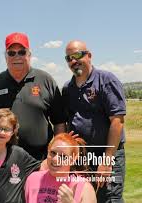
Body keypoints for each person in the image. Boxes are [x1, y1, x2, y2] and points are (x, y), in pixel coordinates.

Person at [0, 32, 66, 160]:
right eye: (11, 53)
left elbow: (59, 122)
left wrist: (58, 155)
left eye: (22, 52)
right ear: (5, 56)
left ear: (29, 54)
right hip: (1, 163)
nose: (17, 56)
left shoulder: (45, 80)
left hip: (39, 160)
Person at [62, 40, 126, 202]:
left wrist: (107, 159)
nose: (73, 61)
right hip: (82, 157)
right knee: (85, 197)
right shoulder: (67, 88)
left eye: (77, 55)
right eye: (69, 58)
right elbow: (69, 120)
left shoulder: (106, 80)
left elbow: (117, 121)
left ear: (89, 56)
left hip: (106, 154)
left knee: (110, 198)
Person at [25, 133, 97, 203]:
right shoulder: (33, 179)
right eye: (53, 153)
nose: (55, 159)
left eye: (63, 156)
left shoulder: (84, 187)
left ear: (72, 160)